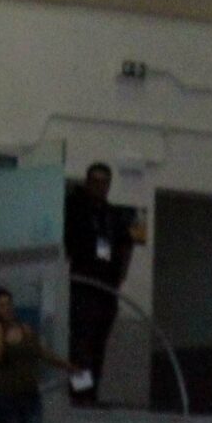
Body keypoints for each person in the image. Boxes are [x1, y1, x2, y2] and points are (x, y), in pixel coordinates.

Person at [62, 162, 142, 404]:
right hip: (82, 288)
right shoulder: (74, 209)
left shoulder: (112, 215)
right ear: (87, 182)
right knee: (80, 347)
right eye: (95, 181)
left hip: (106, 291)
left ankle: (91, 395)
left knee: (97, 346)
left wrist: (120, 279)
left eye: (104, 182)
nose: (99, 187)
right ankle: (79, 394)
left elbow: (127, 245)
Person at [0, 288, 66, 423]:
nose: (7, 308)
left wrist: (69, 367)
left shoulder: (25, 328)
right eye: (1, 305)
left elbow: (41, 352)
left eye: (9, 303)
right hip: (4, 396)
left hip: (29, 394)